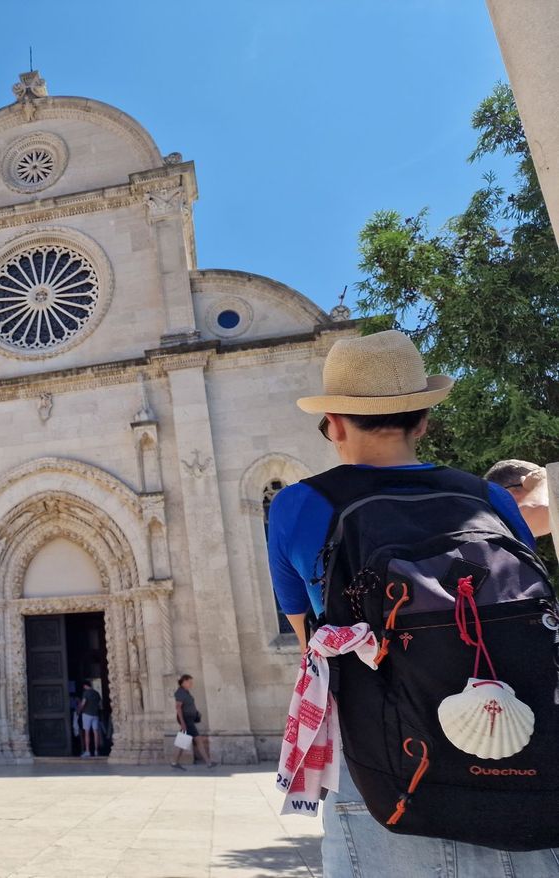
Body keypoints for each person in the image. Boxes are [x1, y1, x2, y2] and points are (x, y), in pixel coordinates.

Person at [267, 330, 556, 874]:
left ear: (334, 424)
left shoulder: (295, 505)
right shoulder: (489, 497)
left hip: (383, 770)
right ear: (423, 421)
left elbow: (311, 642)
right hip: (521, 759)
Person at [485, 459, 550, 541]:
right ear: (509, 494)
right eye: (534, 487)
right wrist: (543, 481)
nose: (547, 493)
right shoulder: (491, 531)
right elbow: (538, 509)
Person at [169, 674, 215, 770]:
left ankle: (174, 762)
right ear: (184, 682)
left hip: (189, 720)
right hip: (186, 720)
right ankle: (208, 762)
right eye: (190, 682)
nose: (191, 684)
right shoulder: (180, 692)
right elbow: (178, 707)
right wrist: (182, 723)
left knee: (183, 741)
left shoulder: (186, 692)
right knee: (197, 740)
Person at [77, 681, 103, 758]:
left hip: (87, 714)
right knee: (96, 733)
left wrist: (79, 710)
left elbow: (83, 703)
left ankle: (87, 751)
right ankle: (96, 751)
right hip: (95, 714)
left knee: (87, 732)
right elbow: (100, 704)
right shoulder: (97, 693)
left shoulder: (86, 693)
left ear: (85, 686)